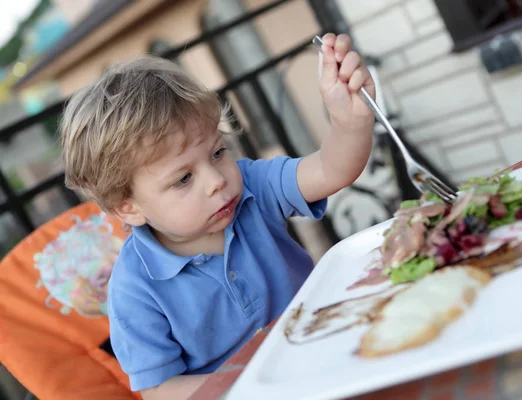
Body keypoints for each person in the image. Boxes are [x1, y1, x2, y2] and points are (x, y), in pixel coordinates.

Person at [59, 33, 375, 399]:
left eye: (217, 152)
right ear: (129, 207)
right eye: (183, 179)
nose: (217, 180)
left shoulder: (252, 188)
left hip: (332, 350)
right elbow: (160, 390)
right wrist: (258, 388)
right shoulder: (135, 290)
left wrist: (349, 121)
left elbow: (332, 170)